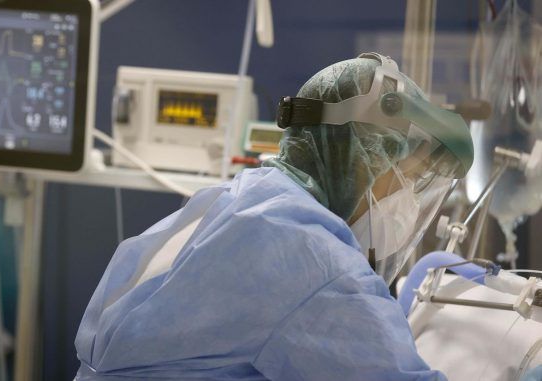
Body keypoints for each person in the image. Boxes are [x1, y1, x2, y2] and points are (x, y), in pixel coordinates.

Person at [74, 53, 475, 380]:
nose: (407, 201)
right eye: (407, 179)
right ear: (365, 161)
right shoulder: (316, 266)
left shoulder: (236, 202)